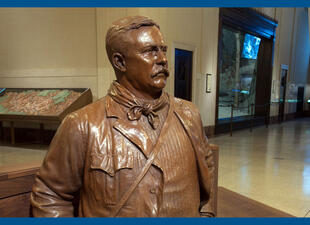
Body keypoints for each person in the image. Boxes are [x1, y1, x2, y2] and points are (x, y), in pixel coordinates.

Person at [31, 16, 215, 217]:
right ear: (119, 61)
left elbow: (208, 170)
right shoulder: (82, 125)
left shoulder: (189, 115)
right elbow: (50, 195)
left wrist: (207, 215)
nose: (162, 59)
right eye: (149, 51)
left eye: (163, 50)